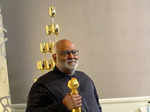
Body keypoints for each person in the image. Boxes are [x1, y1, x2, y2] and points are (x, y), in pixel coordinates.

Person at [26, 39, 102, 112]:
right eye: (66, 53)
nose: (71, 57)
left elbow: (97, 106)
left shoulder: (85, 78)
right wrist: (62, 106)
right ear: (55, 57)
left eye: (74, 52)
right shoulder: (42, 85)